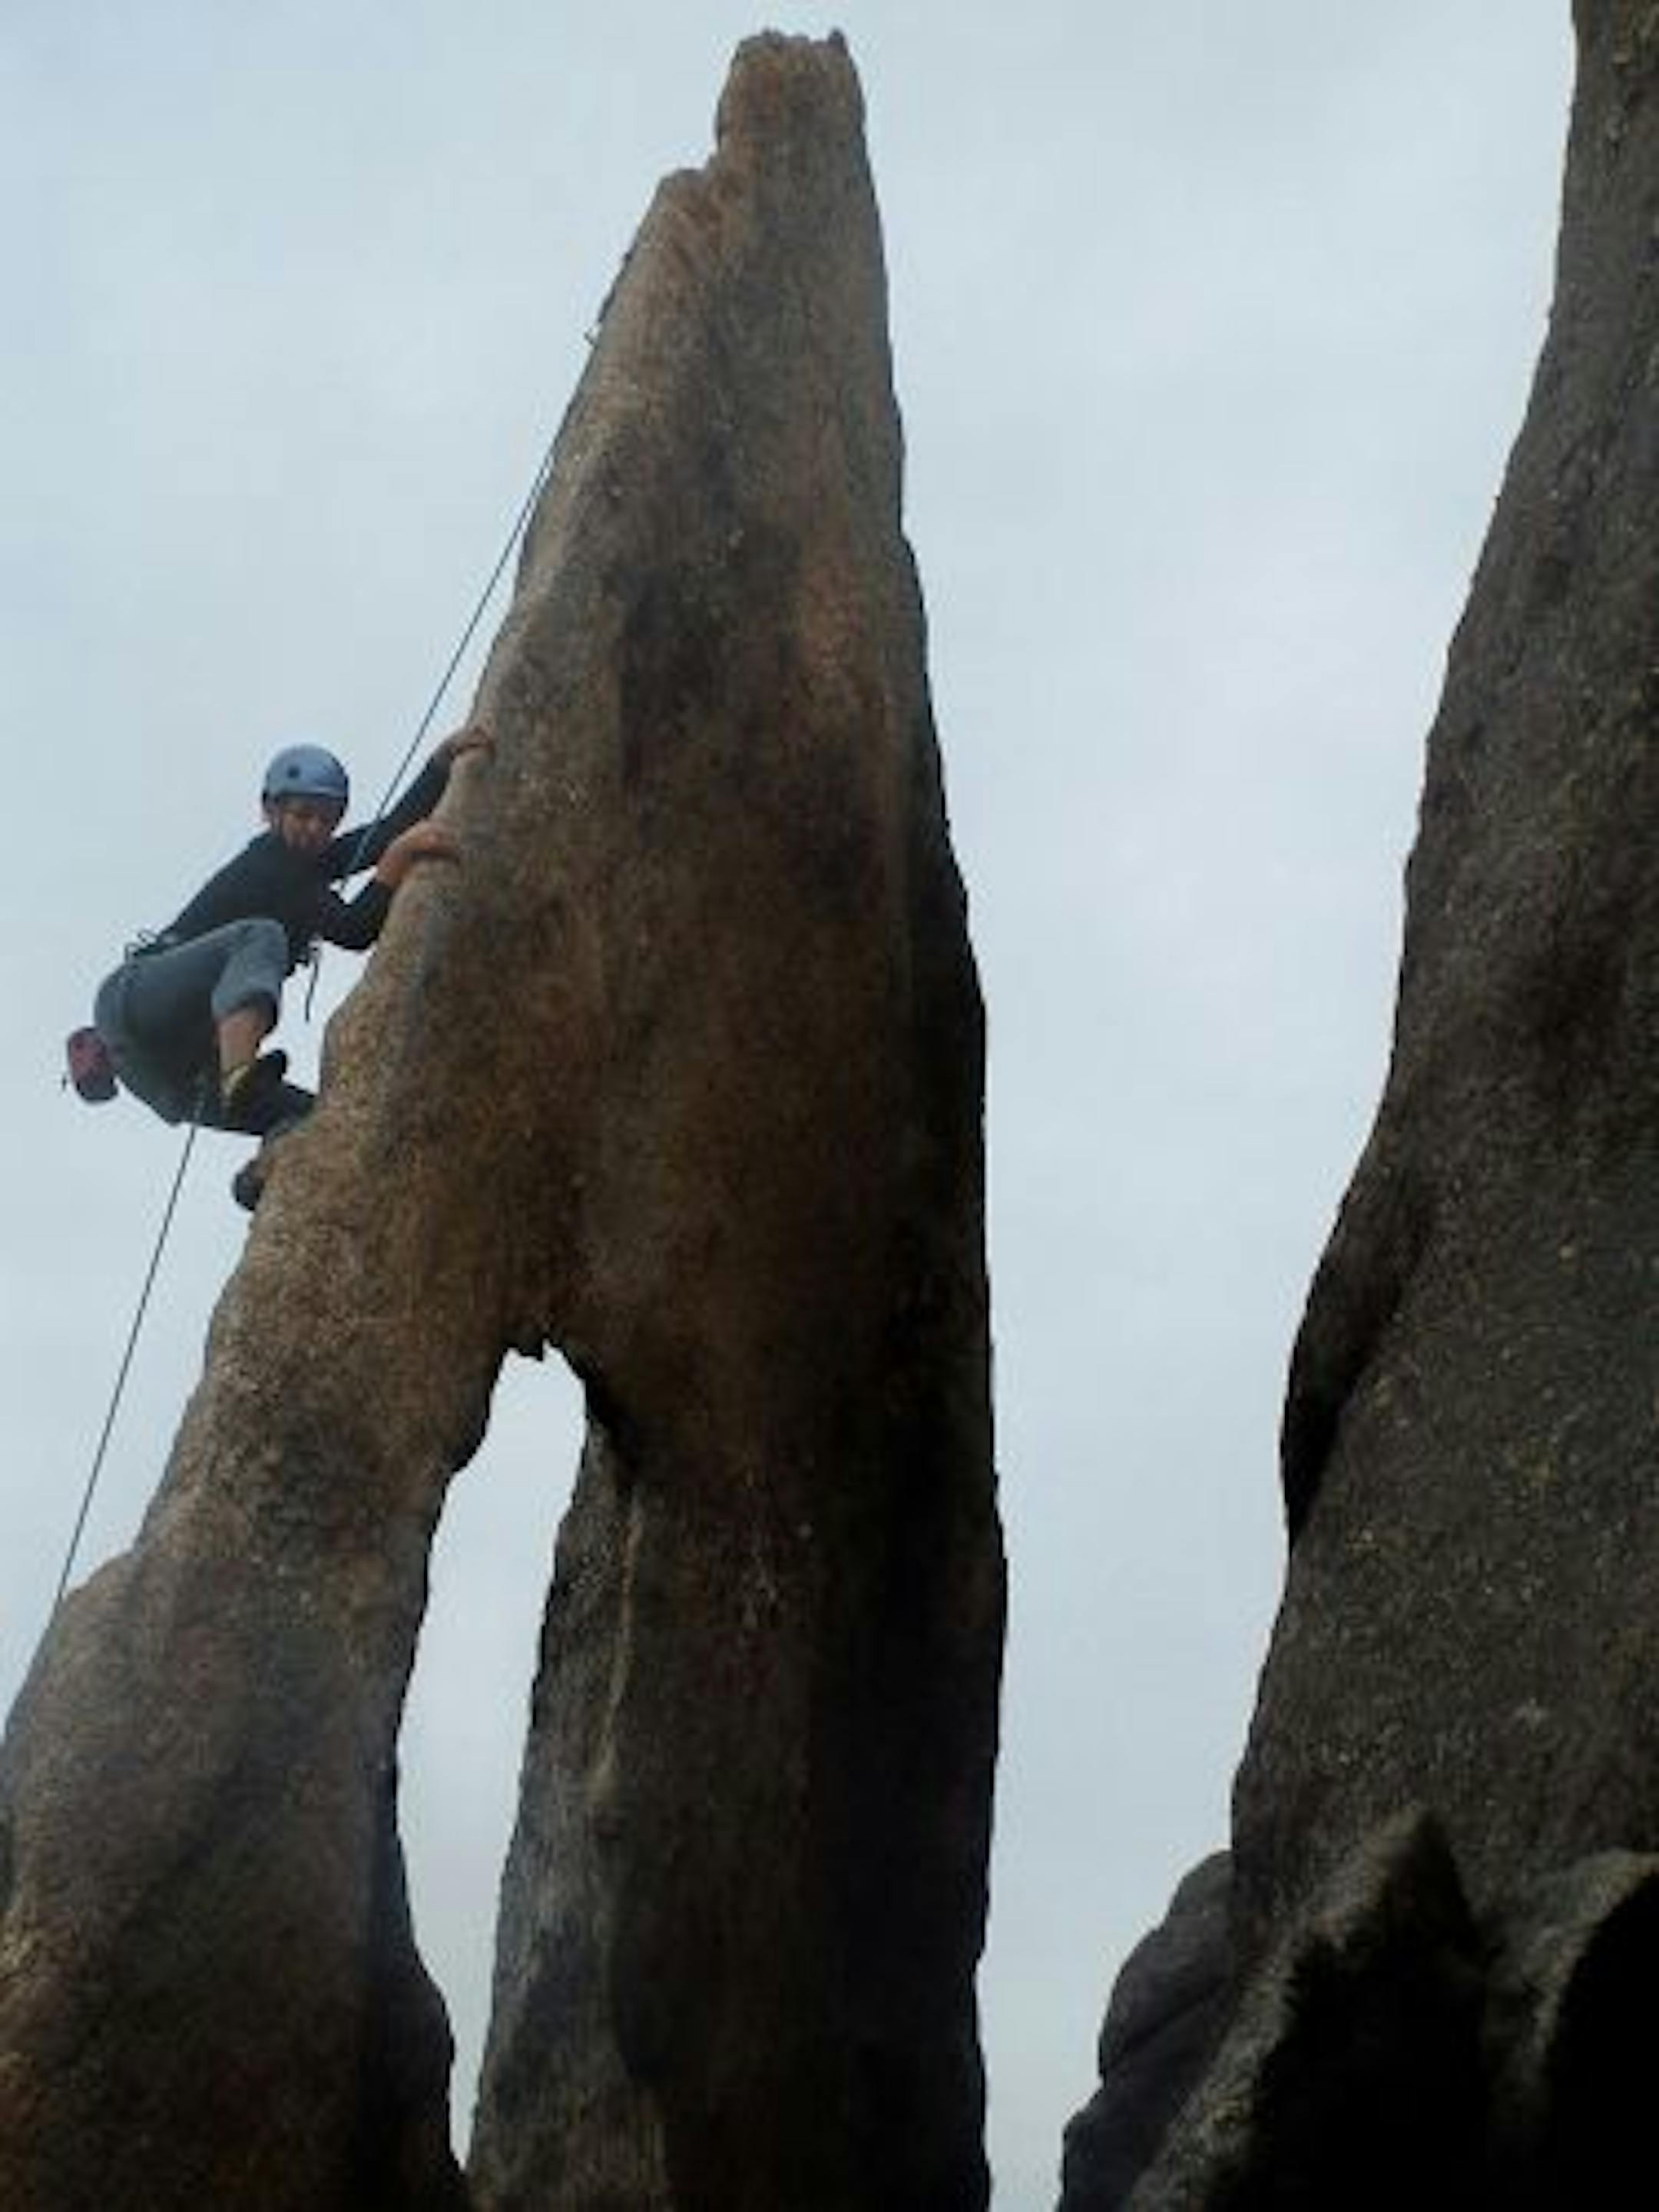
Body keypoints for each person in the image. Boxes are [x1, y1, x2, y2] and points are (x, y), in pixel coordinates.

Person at [89, 725, 488, 1200]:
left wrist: (440, 766)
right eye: (303, 814)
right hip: (135, 1001)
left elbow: (383, 832)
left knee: (321, 1122)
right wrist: (396, 863)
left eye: (327, 819)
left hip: (172, 1080)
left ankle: (264, 1175)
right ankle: (240, 1074)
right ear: (270, 811)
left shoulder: (307, 865)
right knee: (261, 935)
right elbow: (355, 929)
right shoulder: (271, 865)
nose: (315, 829)